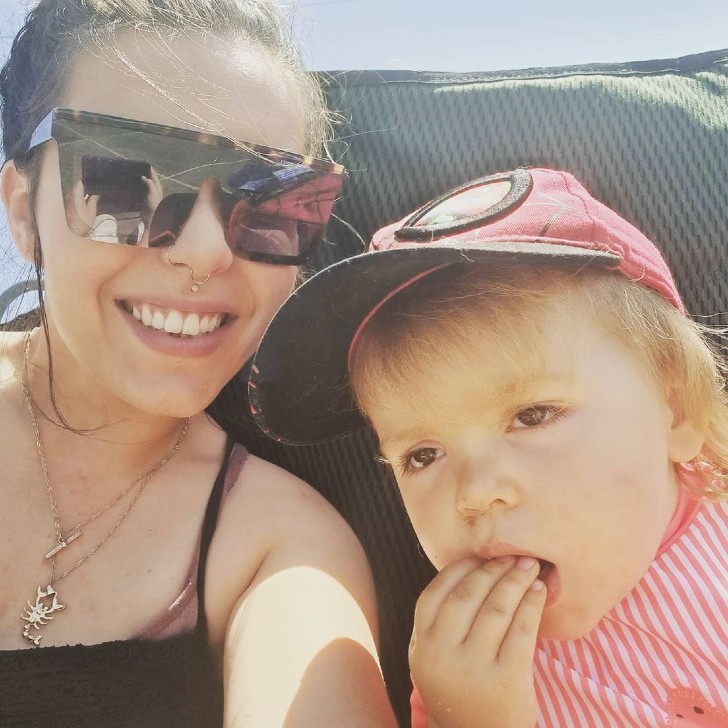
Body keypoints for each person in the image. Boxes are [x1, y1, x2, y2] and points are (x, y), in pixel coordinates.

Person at [0, 1, 397, 726]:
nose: (206, 250)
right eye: (127, 180)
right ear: (24, 210)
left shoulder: (279, 547)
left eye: (272, 203)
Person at [249, 167, 728, 727]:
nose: (474, 494)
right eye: (421, 455)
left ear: (675, 411)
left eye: (533, 415)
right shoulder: (460, 673)